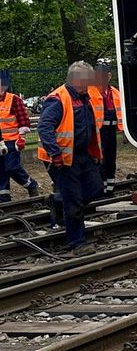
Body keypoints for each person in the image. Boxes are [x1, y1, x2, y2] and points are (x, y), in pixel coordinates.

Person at [37, 62, 104, 252]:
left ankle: (58, 201)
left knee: (96, 188)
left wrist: (95, 152)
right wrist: (55, 154)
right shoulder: (58, 99)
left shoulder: (83, 97)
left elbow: (89, 126)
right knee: (74, 201)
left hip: (82, 154)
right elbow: (44, 127)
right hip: (63, 158)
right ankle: (77, 243)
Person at [0, 73, 39, 201]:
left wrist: (21, 138)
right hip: (0, 142)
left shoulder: (13, 99)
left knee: (12, 168)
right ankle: (4, 198)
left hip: (12, 141)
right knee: (1, 171)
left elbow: (23, 122)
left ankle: (31, 185)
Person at [90, 62, 123, 193]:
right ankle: (101, 188)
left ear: (109, 76)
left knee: (111, 158)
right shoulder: (90, 91)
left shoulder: (114, 92)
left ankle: (110, 187)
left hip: (112, 130)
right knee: (101, 159)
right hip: (99, 130)